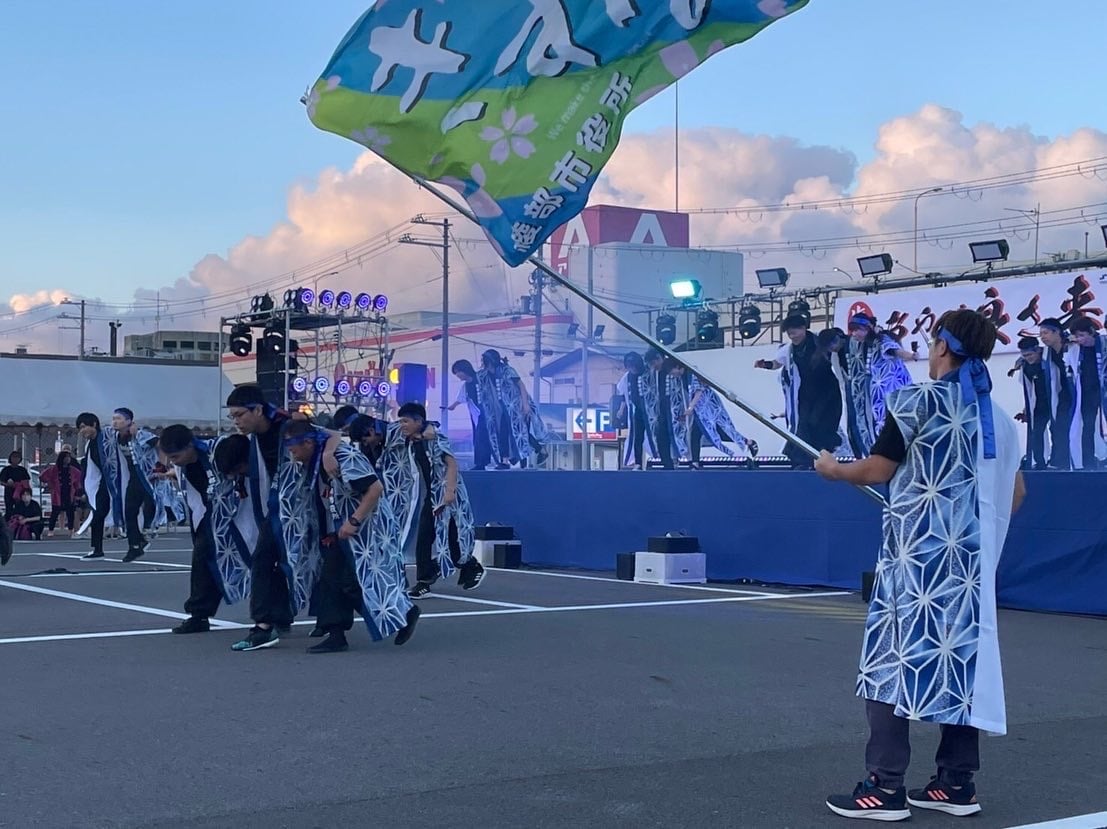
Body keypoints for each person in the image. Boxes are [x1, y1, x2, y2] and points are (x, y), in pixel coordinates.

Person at [816, 309, 1025, 822]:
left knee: (888, 664)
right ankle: (955, 783)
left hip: (915, 567)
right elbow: (1015, 494)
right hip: (969, 571)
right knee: (962, 667)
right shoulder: (998, 419)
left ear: (942, 346)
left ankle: (884, 787)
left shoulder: (916, 401)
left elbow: (877, 469)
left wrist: (834, 470)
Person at [282, 420, 420, 653]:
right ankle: (336, 634)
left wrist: (354, 520)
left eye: (292, 446)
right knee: (332, 580)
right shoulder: (315, 458)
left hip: (365, 528)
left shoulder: (345, 458)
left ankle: (404, 612)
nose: (290, 451)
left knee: (352, 582)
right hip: (337, 529)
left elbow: (375, 489)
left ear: (307, 443)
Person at [224, 384, 342, 652]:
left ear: (257, 410)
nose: (236, 421)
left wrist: (327, 453)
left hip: (305, 505)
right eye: (232, 416)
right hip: (280, 506)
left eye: (240, 415)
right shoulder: (255, 437)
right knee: (269, 559)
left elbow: (333, 435)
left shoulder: (287, 424)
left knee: (311, 561)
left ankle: (268, 626)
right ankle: (273, 620)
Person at [378, 403, 484, 598]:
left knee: (453, 537)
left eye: (406, 421)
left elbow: (452, 464)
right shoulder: (406, 438)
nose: (402, 425)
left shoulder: (437, 438)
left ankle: (470, 566)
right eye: (401, 421)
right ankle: (424, 581)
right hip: (432, 496)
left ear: (418, 421)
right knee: (425, 536)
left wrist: (449, 492)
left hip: (448, 495)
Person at [159, 426, 254, 635]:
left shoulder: (220, 450)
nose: (174, 462)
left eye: (176, 456)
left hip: (239, 514)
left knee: (259, 560)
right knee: (202, 560)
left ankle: (273, 616)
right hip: (210, 517)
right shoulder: (184, 466)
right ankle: (199, 614)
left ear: (189, 446)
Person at [755, 315, 839, 468]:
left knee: (819, 423)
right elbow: (777, 363)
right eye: (789, 334)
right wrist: (765, 364)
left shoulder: (819, 341)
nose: (792, 337)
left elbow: (837, 346)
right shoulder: (789, 349)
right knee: (802, 424)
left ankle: (821, 459)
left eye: (794, 332)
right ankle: (802, 461)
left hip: (827, 392)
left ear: (803, 328)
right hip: (805, 393)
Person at [664, 358, 757, 468]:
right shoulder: (682, 378)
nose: (673, 375)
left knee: (720, 432)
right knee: (696, 434)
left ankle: (748, 442)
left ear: (677, 367)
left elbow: (699, 391)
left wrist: (690, 407)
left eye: (672, 371)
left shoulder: (691, 372)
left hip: (708, 407)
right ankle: (695, 463)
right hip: (699, 411)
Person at [846, 314, 917, 454]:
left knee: (887, 425)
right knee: (869, 426)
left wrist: (910, 355)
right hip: (869, 393)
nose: (854, 334)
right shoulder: (857, 344)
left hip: (888, 391)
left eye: (857, 329)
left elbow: (895, 351)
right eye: (852, 330)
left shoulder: (882, 339)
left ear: (868, 327)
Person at [476, 349, 549, 468]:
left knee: (519, 432)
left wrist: (525, 404)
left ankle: (533, 453)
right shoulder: (485, 375)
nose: (484, 362)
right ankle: (508, 460)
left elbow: (521, 386)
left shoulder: (507, 370)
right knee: (507, 432)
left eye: (486, 360)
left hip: (516, 407)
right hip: (502, 410)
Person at [110, 408, 159, 562]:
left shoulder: (141, 434)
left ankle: (147, 530)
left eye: (118, 418)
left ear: (129, 421)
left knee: (151, 504)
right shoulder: (115, 437)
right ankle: (134, 546)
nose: (115, 422)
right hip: (132, 478)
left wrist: (161, 466)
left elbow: (160, 444)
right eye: (113, 419)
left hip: (147, 477)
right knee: (129, 512)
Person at [76, 412, 124, 559]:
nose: (82, 431)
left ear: (94, 424)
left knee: (127, 511)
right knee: (98, 513)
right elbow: (89, 469)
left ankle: (138, 541)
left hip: (117, 480)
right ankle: (97, 549)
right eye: (80, 428)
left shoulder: (108, 436)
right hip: (102, 483)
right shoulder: (90, 445)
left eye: (84, 427)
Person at [1066, 316, 1107, 470]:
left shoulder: (1103, 343)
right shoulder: (1075, 349)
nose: (1079, 339)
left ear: (1092, 331)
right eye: (1077, 336)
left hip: (1103, 392)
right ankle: (1087, 462)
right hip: (1087, 394)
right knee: (1087, 427)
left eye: (1082, 335)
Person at [1008, 336, 1051, 470]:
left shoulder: (1049, 359)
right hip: (1040, 405)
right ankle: (1040, 463)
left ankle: (1058, 460)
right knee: (1036, 434)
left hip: (1057, 402)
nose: (1028, 358)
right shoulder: (1025, 367)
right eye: (1025, 355)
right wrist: (1026, 409)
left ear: (1038, 350)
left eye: (1030, 355)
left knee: (1058, 432)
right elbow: (1029, 390)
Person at [1038, 318, 1076, 469]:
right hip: (1062, 395)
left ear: (1057, 332)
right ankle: (1059, 461)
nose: (1043, 337)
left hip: (1078, 393)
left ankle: (1075, 461)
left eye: (1046, 333)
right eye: (1041, 334)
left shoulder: (1072, 346)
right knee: (1057, 426)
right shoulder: (1047, 353)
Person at [447, 359, 492, 470]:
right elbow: (461, 398)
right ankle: (481, 463)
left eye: (458, 372)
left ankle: (483, 462)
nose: (457, 375)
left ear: (464, 370)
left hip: (487, 414)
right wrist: (452, 406)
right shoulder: (466, 385)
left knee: (483, 438)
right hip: (476, 415)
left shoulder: (480, 379)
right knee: (477, 438)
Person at [616, 352, 654, 470]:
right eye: (629, 366)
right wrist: (621, 409)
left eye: (633, 366)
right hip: (636, 410)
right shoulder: (627, 377)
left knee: (653, 434)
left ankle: (658, 457)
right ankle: (637, 462)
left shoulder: (649, 373)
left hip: (650, 410)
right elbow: (623, 395)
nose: (632, 369)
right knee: (637, 436)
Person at [640, 348, 675, 470]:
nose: (653, 367)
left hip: (672, 410)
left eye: (653, 363)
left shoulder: (670, 369)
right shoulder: (653, 374)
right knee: (661, 437)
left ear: (659, 358)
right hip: (660, 412)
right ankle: (667, 464)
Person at [41, 450, 83, 537]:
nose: (68, 459)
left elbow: (78, 481)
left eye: (69, 457)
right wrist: (50, 484)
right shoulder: (54, 469)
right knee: (55, 513)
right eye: (66, 457)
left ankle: (71, 530)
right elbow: (42, 476)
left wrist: (77, 492)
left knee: (70, 513)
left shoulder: (73, 470)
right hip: (57, 494)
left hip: (69, 494)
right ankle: (51, 530)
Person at [1, 451, 31, 521]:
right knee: (9, 509)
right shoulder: (6, 469)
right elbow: (1, 481)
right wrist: (8, 485)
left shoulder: (22, 470)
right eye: (14, 457)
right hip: (9, 493)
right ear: (10, 458)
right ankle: (8, 523)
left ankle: (19, 524)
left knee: (20, 509)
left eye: (17, 457)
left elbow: (26, 481)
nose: (15, 459)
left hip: (21, 493)